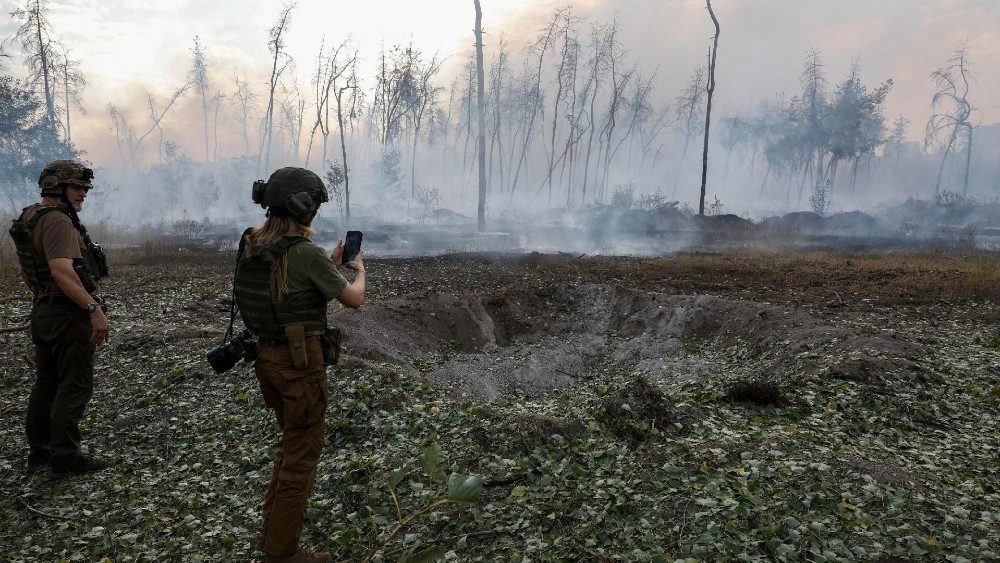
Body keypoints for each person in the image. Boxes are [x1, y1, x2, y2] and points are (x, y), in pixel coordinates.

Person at [234, 167, 366, 563]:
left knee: (289, 446)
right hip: (299, 365)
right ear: (303, 206)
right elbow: (353, 300)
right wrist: (357, 271)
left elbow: (287, 278)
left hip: (268, 361)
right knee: (300, 460)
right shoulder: (304, 253)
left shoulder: (252, 243)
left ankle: (271, 537)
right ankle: (282, 554)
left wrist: (330, 262)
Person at [7, 159, 111, 476]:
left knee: (47, 384)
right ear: (57, 187)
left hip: (45, 310)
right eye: (78, 187)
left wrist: (45, 296)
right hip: (68, 314)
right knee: (74, 385)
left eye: (84, 188)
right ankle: (64, 457)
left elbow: (30, 271)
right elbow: (62, 271)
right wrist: (93, 309)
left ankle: (40, 452)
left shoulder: (30, 216)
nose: (83, 194)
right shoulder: (57, 222)